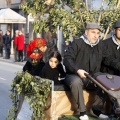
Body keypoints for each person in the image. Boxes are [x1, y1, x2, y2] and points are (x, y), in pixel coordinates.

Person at [63, 22, 110, 120]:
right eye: (93, 32)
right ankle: (82, 111)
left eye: (98, 33)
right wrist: (77, 70)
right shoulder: (77, 43)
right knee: (76, 81)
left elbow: (107, 60)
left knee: (105, 79)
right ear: (86, 32)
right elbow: (67, 59)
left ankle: (97, 109)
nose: (96, 35)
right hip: (73, 75)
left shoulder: (100, 45)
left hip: (92, 76)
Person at [16, 38, 47, 119]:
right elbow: (24, 69)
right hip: (27, 87)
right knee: (23, 107)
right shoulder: (29, 61)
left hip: (38, 87)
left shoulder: (43, 63)